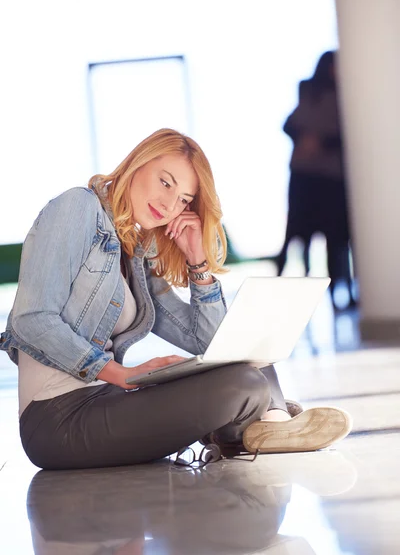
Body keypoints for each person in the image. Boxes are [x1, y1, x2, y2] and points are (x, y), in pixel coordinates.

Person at [0, 128, 352, 470]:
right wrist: (120, 373)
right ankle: (257, 422)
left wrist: (198, 262)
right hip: (57, 420)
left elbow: (213, 343)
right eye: (165, 182)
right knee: (244, 385)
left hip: (106, 402)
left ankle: (269, 424)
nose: (170, 204)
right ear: (138, 163)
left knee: (251, 353)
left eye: (184, 199)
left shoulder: (135, 252)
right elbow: (31, 320)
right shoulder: (77, 207)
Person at [276, 51, 357, 311]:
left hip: (331, 179)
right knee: (296, 236)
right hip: (305, 177)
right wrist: (308, 139)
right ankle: (280, 295)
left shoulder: (347, 94)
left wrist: (321, 141)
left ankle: (339, 296)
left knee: (336, 240)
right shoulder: (310, 92)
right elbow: (290, 124)